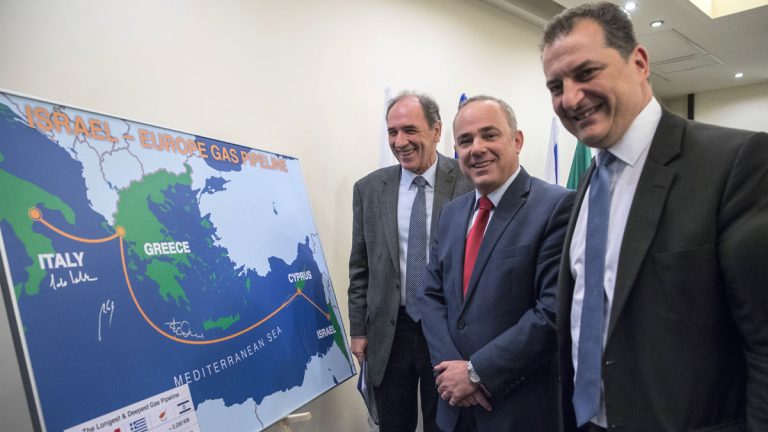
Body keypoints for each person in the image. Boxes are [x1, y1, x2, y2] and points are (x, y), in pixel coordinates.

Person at [540, 3, 768, 432]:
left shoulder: (735, 163)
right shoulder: (589, 181)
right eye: (556, 86)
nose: (570, 98)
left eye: (586, 73)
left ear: (640, 63)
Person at [419, 95, 574, 432]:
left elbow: (552, 312)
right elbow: (430, 296)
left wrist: (476, 372)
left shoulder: (556, 206)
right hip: (454, 407)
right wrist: (452, 371)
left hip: (517, 410)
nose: (476, 149)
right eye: (465, 141)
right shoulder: (451, 214)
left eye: (489, 135)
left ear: (516, 140)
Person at [348, 91, 473, 432]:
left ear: (436, 131)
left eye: (410, 130)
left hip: (447, 330)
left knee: (446, 424)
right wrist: (358, 330)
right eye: (392, 132)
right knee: (393, 424)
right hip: (390, 331)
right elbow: (360, 267)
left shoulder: (468, 181)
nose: (399, 141)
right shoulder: (369, 189)